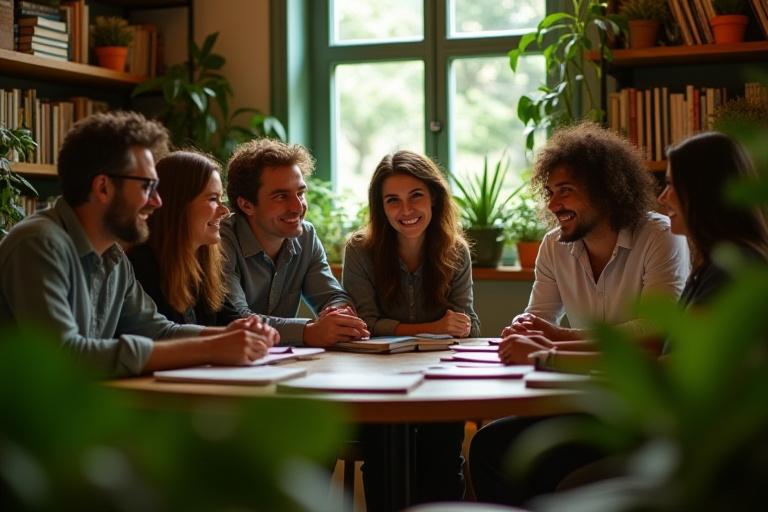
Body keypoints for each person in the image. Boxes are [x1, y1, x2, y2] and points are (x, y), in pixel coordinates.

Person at [472, 131, 768, 506]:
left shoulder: (730, 270)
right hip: (658, 422)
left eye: (673, 185)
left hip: (676, 438)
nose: (663, 196)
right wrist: (538, 338)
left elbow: (662, 358)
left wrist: (547, 352)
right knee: (498, 445)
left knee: (504, 450)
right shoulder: (714, 265)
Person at [0, 111, 275, 377]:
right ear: (103, 188)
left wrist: (231, 336)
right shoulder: (37, 244)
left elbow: (157, 331)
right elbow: (65, 356)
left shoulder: (113, 255)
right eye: (147, 187)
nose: (157, 202)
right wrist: (210, 347)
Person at [342, 150, 480, 511]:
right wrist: (433, 328)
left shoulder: (456, 251)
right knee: (385, 450)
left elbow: (468, 325)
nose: (406, 211)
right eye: (393, 201)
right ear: (381, 207)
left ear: (434, 196)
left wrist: (457, 326)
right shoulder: (360, 250)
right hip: (376, 382)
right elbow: (364, 326)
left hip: (439, 381)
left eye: (415, 196)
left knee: (442, 450)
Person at [502, 122, 689, 342]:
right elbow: (540, 315)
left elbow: (656, 329)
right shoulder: (553, 245)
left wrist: (561, 335)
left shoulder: (660, 236)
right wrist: (524, 326)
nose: (552, 205)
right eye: (550, 192)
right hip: (576, 371)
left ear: (605, 191)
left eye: (565, 190)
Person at [221, 138, 368, 346]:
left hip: (278, 362)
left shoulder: (305, 236)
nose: (297, 207)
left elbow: (331, 295)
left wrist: (339, 313)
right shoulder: (219, 241)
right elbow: (237, 319)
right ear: (246, 205)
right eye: (281, 196)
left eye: (300, 193)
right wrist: (309, 332)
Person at [128, 151, 277, 345]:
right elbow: (157, 337)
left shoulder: (203, 263)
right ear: (178, 205)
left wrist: (256, 330)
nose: (224, 211)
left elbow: (231, 321)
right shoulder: (140, 267)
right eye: (213, 199)